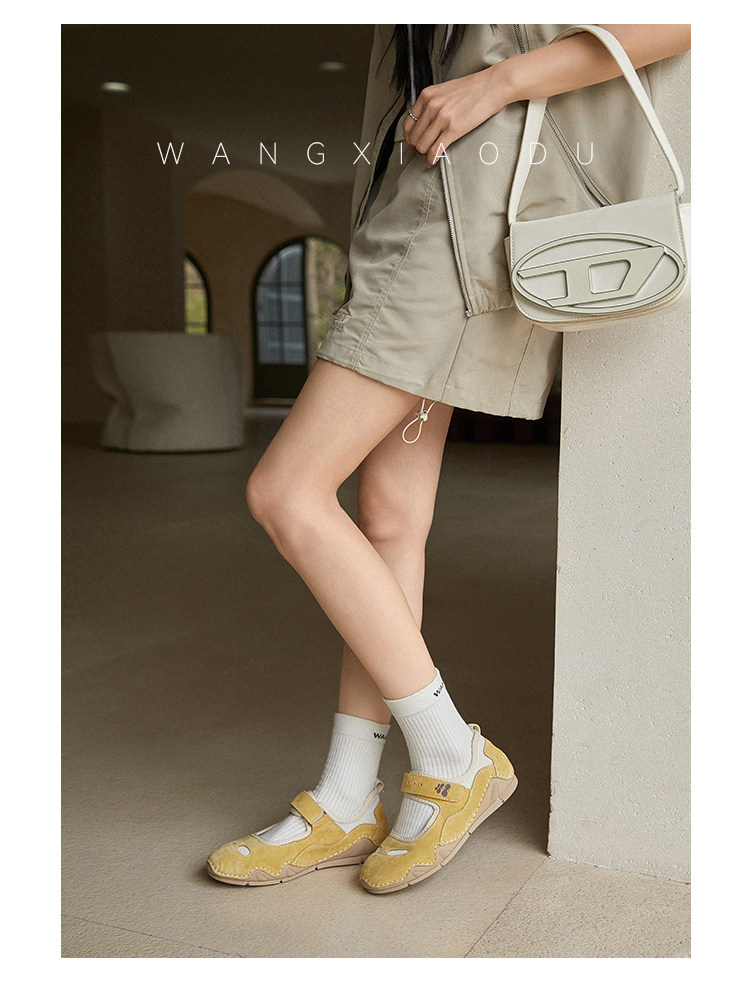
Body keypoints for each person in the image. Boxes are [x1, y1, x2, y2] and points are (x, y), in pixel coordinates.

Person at [206, 23, 691, 894]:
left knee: (286, 490)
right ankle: (349, 796)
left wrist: (496, 82)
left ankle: (449, 753)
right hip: (418, 210)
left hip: (461, 222)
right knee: (390, 518)